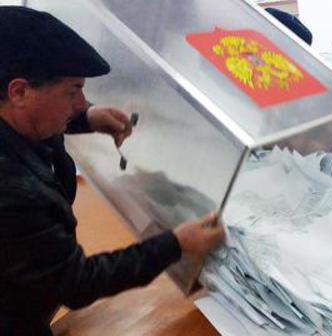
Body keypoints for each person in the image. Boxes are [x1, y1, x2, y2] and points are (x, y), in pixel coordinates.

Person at [0, 7, 224, 335]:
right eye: (73, 92)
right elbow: (76, 282)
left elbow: (36, 119)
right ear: (19, 91)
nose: (81, 101)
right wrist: (175, 245)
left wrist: (87, 118)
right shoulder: (11, 190)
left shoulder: (15, 115)